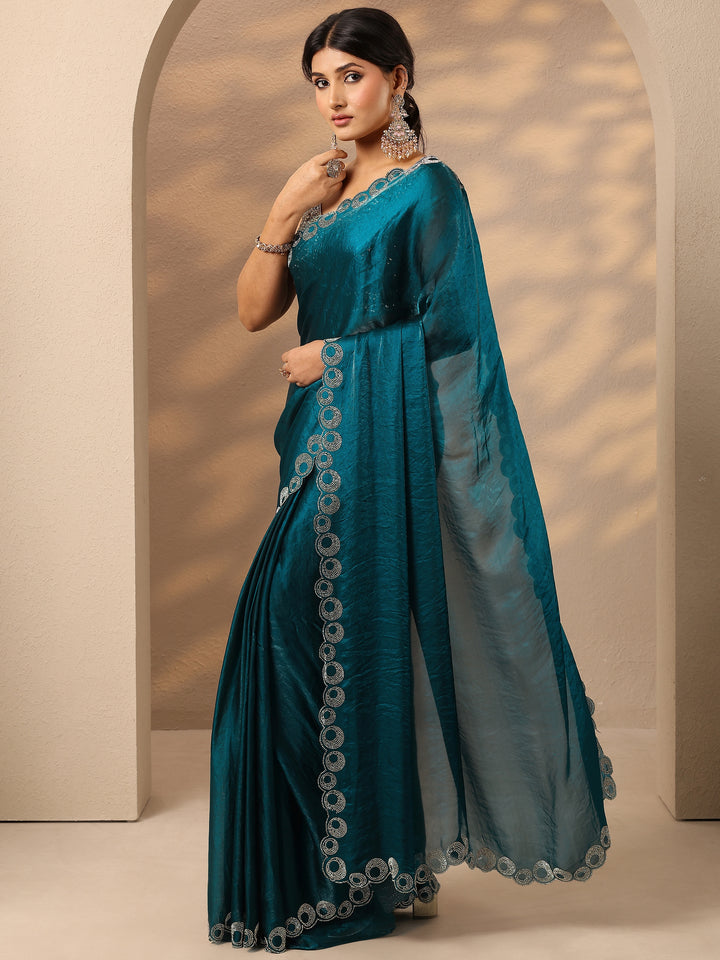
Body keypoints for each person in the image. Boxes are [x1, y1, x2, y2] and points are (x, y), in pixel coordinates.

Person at [207, 7, 615, 953]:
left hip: (379, 444)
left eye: (351, 76)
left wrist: (339, 358)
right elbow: (253, 312)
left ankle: (376, 865)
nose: (334, 98)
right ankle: (365, 866)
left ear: (397, 79)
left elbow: (455, 331)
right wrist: (280, 215)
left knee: (349, 638)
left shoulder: (429, 190)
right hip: (317, 442)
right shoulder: (322, 189)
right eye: (319, 81)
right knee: (309, 637)